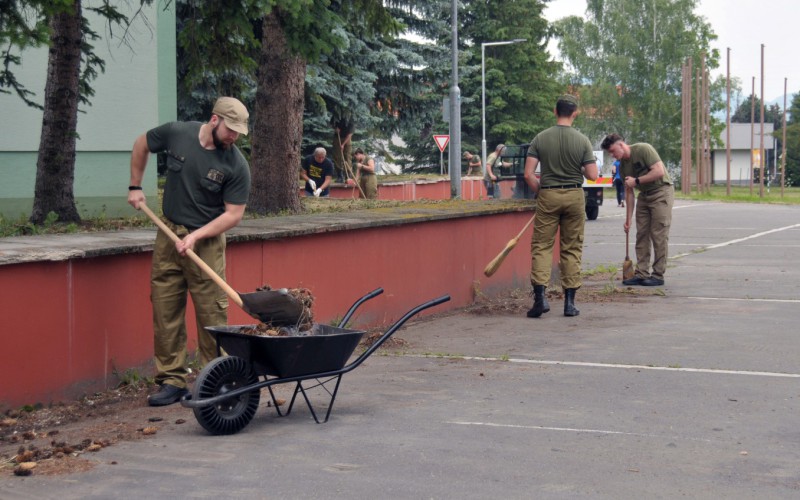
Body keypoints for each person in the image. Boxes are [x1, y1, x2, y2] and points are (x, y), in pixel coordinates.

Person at [128, 96, 251, 406]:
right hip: (168, 234)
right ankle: (172, 380)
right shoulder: (177, 133)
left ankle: (216, 380)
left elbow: (233, 214)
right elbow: (141, 143)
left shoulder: (236, 164)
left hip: (205, 242)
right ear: (214, 120)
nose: (233, 137)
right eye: (230, 129)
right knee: (165, 307)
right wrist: (135, 186)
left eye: (239, 132)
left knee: (212, 312)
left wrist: (196, 236)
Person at [523, 94, 598, 318]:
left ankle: (540, 299)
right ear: (575, 113)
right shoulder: (582, 140)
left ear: (555, 112)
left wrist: (543, 191)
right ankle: (569, 303)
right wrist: (580, 167)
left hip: (548, 195)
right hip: (575, 195)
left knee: (542, 246)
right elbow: (593, 175)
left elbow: (528, 174)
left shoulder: (540, 138)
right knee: (572, 248)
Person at [601, 133, 674, 287]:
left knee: (658, 234)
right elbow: (629, 193)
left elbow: (659, 171)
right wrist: (628, 219)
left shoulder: (643, 149)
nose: (613, 156)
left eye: (613, 151)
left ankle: (658, 275)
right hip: (644, 195)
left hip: (661, 192)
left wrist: (637, 180)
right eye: (610, 154)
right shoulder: (623, 166)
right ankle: (641, 273)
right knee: (642, 234)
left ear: (621, 145)